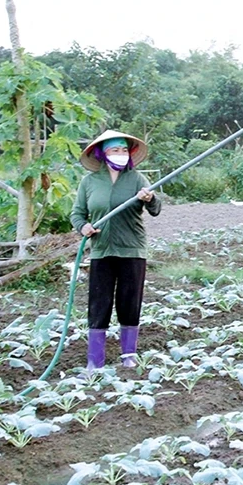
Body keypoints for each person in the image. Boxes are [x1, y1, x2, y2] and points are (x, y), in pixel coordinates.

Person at [70, 130, 161, 371]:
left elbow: (156, 209)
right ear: (103, 153)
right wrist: (84, 227)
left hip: (132, 249)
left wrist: (149, 198)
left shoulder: (137, 179)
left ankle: (128, 356)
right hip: (101, 250)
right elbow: (77, 214)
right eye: (114, 150)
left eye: (123, 150)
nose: (120, 154)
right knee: (99, 303)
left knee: (129, 301)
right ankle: (95, 360)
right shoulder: (89, 182)